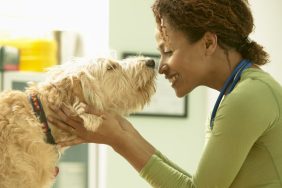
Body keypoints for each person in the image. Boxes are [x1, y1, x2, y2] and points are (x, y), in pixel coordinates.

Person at [48, 0, 282, 187]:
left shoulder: (247, 97)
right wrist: (124, 131)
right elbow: (196, 184)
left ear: (209, 44)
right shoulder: (246, 91)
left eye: (168, 51)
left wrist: (118, 140)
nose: (161, 66)